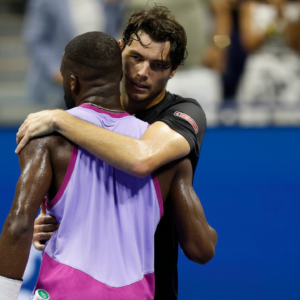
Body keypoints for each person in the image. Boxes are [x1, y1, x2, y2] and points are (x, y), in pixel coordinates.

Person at [0, 32, 216, 300]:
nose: (142, 72)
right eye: (136, 58)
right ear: (121, 67)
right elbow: (201, 248)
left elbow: (19, 223)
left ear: (72, 82)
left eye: (157, 64)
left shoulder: (47, 136)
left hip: (63, 291)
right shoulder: (169, 154)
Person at [23, 0, 125, 107]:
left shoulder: (103, 2)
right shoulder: (46, 2)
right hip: (58, 86)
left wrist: (115, 5)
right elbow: (35, 40)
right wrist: (55, 69)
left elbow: (113, 29)